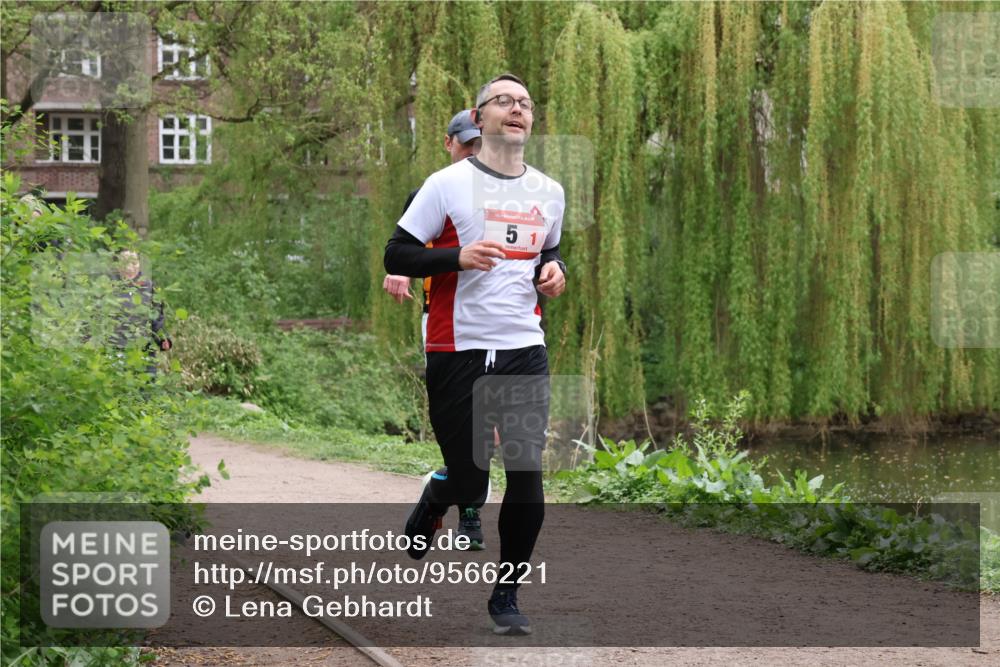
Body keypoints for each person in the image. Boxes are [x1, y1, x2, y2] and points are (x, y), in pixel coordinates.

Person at [384, 73, 566, 635]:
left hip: (521, 347)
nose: (518, 109)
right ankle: (440, 494)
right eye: (505, 101)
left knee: (527, 474)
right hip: (457, 348)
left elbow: (548, 252)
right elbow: (398, 253)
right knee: (470, 480)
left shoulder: (550, 191)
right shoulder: (446, 184)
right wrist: (457, 259)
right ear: (480, 116)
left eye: (526, 104)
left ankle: (506, 595)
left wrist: (556, 273)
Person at [383, 109, 488, 550]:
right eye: (466, 143)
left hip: (501, 328)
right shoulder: (431, 191)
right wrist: (401, 274)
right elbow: (405, 249)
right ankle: (459, 506)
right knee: (463, 424)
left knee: (488, 425)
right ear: (448, 143)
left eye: (480, 143)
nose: (473, 151)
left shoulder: (511, 193)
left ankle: (452, 502)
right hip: (445, 324)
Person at [111, 250, 171, 377]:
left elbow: (157, 317)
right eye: (125, 263)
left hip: (143, 350)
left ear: (139, 264)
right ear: (117, 265)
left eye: (134, 263)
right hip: (116, 350)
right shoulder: (108, 287)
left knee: (146, 388)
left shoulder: (149, 286)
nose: (129, 267)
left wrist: (162, 339)